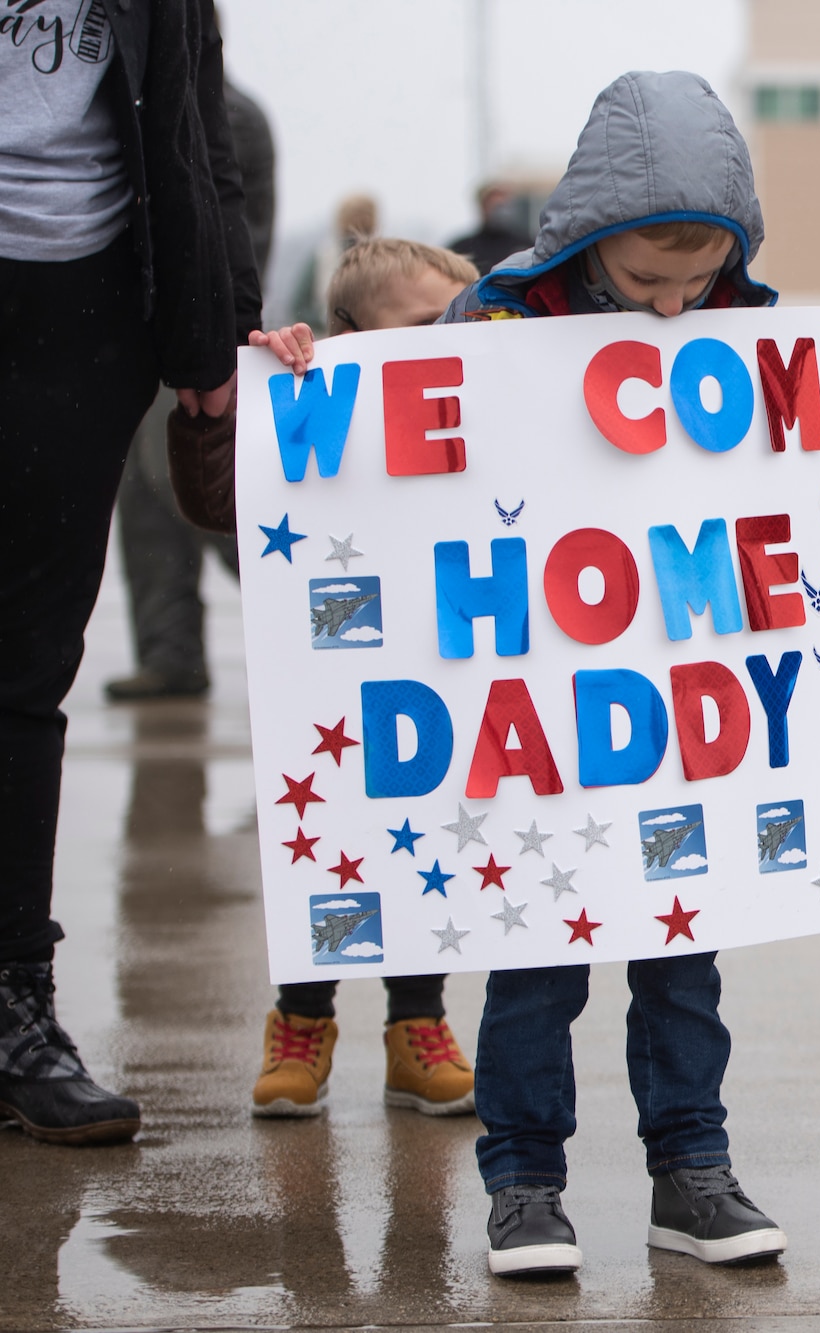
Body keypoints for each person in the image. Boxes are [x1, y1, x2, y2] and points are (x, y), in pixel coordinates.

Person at [440, 70, 820, 1277]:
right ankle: (524, 1182)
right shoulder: (495, 327)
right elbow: (386, 428)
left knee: (682, 961)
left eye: (694, 284)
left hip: (685, 721)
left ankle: (692, 1171)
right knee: (536, 964)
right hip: (547, 721)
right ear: (589, 244)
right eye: (644, 284)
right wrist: (305, 373)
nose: (672, 310)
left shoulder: (741, 331)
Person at [0, 0, 260, 1146]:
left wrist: (216, 334)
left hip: (86, 314)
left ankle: (15, 1009)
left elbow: (197, 131)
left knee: (24, 675)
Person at [239, 239, 482, 1120]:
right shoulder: (304, 402)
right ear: (346, 335)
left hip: (437, 669)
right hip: (330, 681)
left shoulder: (481, 408)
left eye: (464, 319)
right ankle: (302, 1020)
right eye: (424, 324)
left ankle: (416, 1028)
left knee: (426, 843)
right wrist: (259, 394)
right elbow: (211, 496)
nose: (449, 340)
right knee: (325, 842)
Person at [105, 79, 273, 702]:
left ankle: (322, 616)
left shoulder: (216, 110)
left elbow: (220, 225)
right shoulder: (185, 99)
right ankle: (168, 650)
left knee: (193, 486)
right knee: (147, 505)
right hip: (151, 329)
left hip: (196, 331)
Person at [288, 192, 377, 332]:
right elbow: (299, 306)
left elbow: (298, 306)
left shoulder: (322, 256)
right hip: (331, 336)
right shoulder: (323, 257)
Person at [448, 181, 534, 277]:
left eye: (503, 206)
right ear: (482, 207)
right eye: (494, 206)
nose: (500, 212)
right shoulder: (462, 248)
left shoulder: (527, 244)